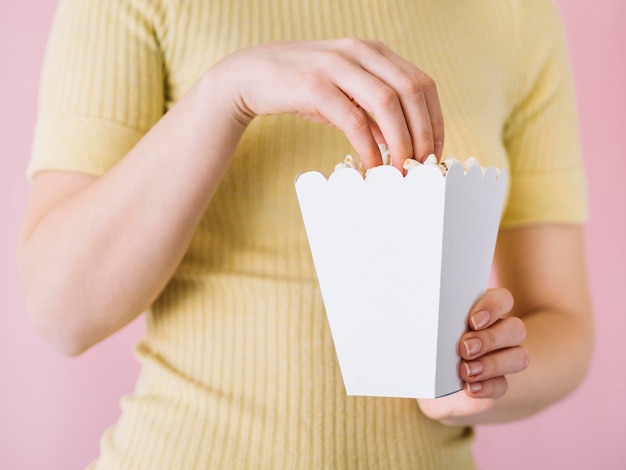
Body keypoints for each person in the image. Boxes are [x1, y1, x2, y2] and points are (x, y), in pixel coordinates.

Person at [17, 0, 593, 468]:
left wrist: (482, 377)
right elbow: (62, 312)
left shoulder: (517, 14)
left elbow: (563, 322)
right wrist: (226, 93)